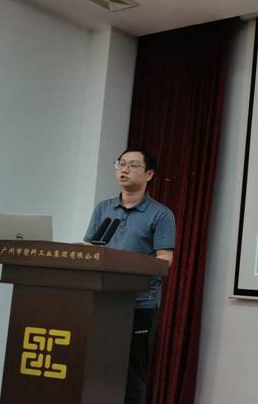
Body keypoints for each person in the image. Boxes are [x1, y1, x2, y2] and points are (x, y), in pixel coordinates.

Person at [84, 149, 175, 404]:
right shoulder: (104, 209)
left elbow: (164, 261)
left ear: (149, 174)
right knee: (96, 370)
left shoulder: (161, 214)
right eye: (121, 164)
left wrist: (128, 265)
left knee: (131, 376)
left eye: (133, 165)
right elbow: (90, 250)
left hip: (139, 304)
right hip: (101, 300)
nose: (124, 169)